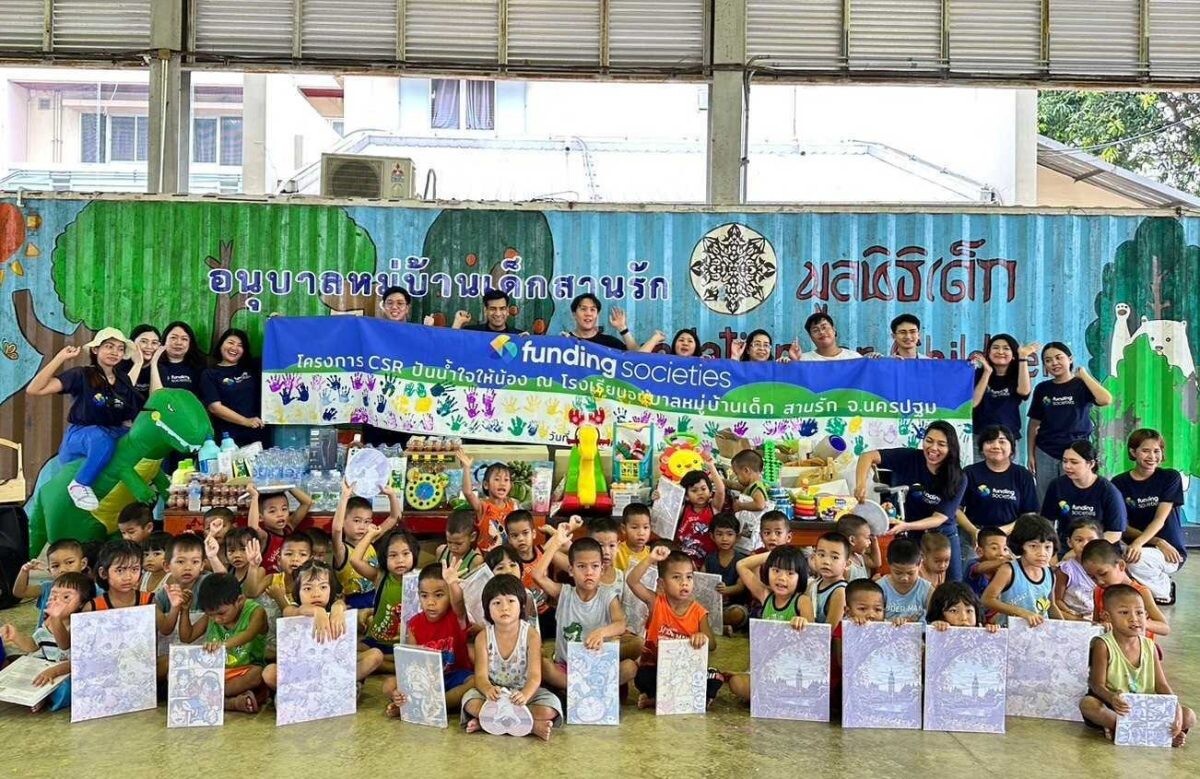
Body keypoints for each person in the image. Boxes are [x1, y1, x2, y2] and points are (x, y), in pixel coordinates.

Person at [26, 328, 143, 510]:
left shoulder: (123, 379)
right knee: (101, 439)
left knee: (139, 437)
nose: (115, 352)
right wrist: (60, 358)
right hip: (82, 435)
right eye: (109, 346)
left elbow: (133, 414)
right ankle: (80, 484)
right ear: (95, 349)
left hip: (113, 431)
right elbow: (35, 389)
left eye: (120, 348)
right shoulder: (81, 374)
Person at [1080, 584, 1194, 747]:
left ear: (1146, 615)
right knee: (1088, 705)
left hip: (1144, 708)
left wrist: (1175, 709)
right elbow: (1096, 685)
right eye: (1124, 612)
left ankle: (1129, 731)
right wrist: (1112, 698)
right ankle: (1152, 733)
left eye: (1139, 612)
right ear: (1107, 616)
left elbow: (1161, 685)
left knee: (1188, 716)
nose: (1134, 618)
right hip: (1117, 708)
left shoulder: (1150, 646)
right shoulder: (1103, 645)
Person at [854, 420, 968, 581]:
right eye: (929, 441)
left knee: (954, 585)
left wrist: (906, 525)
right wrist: (860, 485)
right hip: (914, 535)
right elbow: (868, 456)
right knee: (912, 582)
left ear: (951, 448)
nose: (933, 448)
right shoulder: (910, 457)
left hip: (943, 536)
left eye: (941, 444)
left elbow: (939, 518)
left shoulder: (959, 478)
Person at [531, 521, 636, 693]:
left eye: (594, 566)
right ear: (571, 570)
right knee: (544, 666)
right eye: (581, 567)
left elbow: (620, 624)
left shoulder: (608, 596)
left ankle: (581, 690)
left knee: (630, 667)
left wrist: (601, 632)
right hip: (568, 668)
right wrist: (556, 542)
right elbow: (537, 575)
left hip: (598, 666)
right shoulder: (563, 593)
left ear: (601, 570)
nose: (588, 572)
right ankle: (591, 689)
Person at [460, 574, 563, 740]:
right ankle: (531, 727)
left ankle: (488, 723)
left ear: (522, 605)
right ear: (487, 609)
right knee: (470, 702)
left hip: (522, 695)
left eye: (510, 601)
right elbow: (480, 676)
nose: (504, 608)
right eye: (496, 603)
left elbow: (535, 676)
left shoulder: (531, 635)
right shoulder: (483, 637)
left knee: (549, 708)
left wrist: (525, 695)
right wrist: (488, 689)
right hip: (495, 697)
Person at [262, 560, 384, 690]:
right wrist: (316, 611)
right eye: (308, 588)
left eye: (323, 587)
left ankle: (339, 686)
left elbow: (341, 603)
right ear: (298, 592)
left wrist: (338, 608)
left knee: (375, 655)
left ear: (331, 589)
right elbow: (289, 611)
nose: (316, 593)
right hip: (303, 674)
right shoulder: (295, 609)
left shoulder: (334, 607)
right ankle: (322, 690)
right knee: (269, 673)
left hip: (334, 669)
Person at [627, 546, 720, 710]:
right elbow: (632, 581)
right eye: (676, 577)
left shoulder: (698, 611)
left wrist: (702, 637)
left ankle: (658, 701)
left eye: (689, 577)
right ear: (662, 584)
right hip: (659, 670)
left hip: (686, 671)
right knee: (642, 677)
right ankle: (674, 700)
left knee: (715, 676)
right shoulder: (656, 603)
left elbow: (712, 645)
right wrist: (651, 559)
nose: (684, 582)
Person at [384, 562, 475, 717]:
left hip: (455, 676)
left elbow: (459, 603)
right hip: (427, 680)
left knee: (474, 682)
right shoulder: (414, 624)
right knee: (389, 684)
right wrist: (399, 693)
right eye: (424, 595)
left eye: (439, 595)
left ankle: (438, 704)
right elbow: (413, 662)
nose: (430, 602)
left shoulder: (456, 617)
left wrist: (452, 583)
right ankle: (408, 702)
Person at [1027, 342, 1113, 499]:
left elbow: (1105, 399)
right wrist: (1031, 454)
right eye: (1048, 360)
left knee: (1076, 499)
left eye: (1059, 358)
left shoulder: (1082, 385)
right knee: (1045, 499)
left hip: (1078, 451)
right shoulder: (1042, 389)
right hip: (1046, 451)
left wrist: (1084, 375)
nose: (1054, 363)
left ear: (1070, 359)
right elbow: (1033, 424)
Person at [1111, 428, 1187, 604]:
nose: (1152, 456)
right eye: (1145, 451)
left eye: (1156, 451)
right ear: (1133, 452)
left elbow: (1160, 519)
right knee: (1108, 561)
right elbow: (1122, 526)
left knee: (1136, 561)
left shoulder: (1170, 477)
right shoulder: (1119, 483)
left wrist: (1140, 543)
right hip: (1141, 546)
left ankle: (1164, 590)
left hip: (1169, 551)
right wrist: (1155, 541)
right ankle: (1141, 585)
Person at [0, 571, 93, 713]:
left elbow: (66, 646)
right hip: (45, 666)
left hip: (64, 671)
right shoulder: (48, 622)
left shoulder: (79, 625)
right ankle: (37, 694)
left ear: (81, 603)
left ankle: (43, 696)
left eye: (66, 597)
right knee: (21, 671)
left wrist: (54, 671)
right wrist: (16, 636)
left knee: (67, 689)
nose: (57, 600)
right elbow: (33, 644)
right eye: (54, 595)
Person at [726, 545, 809, 702]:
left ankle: (776, 697)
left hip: (790, 669)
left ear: (801, 577)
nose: (781, 578)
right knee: (736, 683)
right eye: (776, 570)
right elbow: (741, 565)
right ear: (768, 571)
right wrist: (773, 554)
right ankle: (773, 697)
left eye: (790, 573)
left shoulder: (802, 601)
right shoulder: (766, 595)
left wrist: (803, 622)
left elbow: (813, 638)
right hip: (764, 666)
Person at [184, 573, 268, 713]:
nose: (216, 619)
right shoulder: (212, 613)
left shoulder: (256, 611)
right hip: (215, 673)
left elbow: (248, 634)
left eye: (221, 613)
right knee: (176, 674)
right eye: (211, 615)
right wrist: (184, 610)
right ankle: (230, 703)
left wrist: (222, 645)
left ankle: (210, 699)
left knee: (258, 674)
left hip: (244, 671)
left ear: (239, 600)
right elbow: (187, 636)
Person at [956, 425, 1039, 552]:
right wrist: (974, 531)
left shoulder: (1023, 475)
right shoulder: (969, 472)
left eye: (1002, 441)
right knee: (971, 568)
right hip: (974, 534)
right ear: (982, 449)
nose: (995, 446)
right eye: (989, 441)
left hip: (1011, 535)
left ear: (1011, 448)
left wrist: (1001, 532)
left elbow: (1029, 514)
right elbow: (956, 509)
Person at [1040, 440, 1127, 548]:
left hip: (1099, 548)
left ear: (1090, 464)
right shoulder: (1057, 485)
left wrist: (1080, 551)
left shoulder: (1108, 491)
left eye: (1074, 462)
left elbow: (1114, 533)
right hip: (1066, 545)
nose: (1067, 466)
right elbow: (1047, 521)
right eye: (1065, 461)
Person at [355, 526, 421, 665]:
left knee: (406, 660)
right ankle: (382, 662)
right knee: (349, 651)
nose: (400, 560)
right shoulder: (380, 576)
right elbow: (355, 560)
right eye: (393, 555)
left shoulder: (420, 580)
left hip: (402, 645)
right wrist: (370, 535)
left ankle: (382, 663)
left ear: (414, 554)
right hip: (374, 641)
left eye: (405, 554)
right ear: (384, 558)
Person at [331, 480, 401, 610]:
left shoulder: (370, 538)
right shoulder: (341, 551)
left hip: (378, 596)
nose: (362, 527)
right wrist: (345, 496)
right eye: (357, 521)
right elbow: (336, 529)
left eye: (367, 521)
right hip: (355, 604)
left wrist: (391, 495)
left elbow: (394, 518)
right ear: (343, 521)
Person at [982, 513, 1061, 627]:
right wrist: (1022, 613)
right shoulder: (1009, 570)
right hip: (1010, 635)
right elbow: (987, 599)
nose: (1042, 553)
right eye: (1033, 546)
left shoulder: (1050, 574)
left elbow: (1051, 605)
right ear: (1020, 546)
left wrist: (1066, 627)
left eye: (1047, 547)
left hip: (1039, 636)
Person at [1080, 540, 1170, 639]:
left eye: (1103, 574)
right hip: (1112, 646)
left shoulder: (1141, 592)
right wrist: (1102, 625)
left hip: (1139, 648)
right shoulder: (1098, 591)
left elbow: (1165, 628)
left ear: (1121, 565)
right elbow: (1096, 623)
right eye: (1092, 577)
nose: (1099, 581)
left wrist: (1140, 622)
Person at [971, 334, 1038, 455]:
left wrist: (1022, 357)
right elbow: (973, 403)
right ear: (989, 352)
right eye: (995, 347)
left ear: (1013, 355)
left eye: (1006, 348)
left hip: (1008, 436)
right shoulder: (978, 374)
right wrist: (987, 372)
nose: (1000, 351)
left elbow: (1024, 392)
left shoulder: (1018, 375)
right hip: (980, 436)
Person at [201, 328, 265, 446]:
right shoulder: (210, 374)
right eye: (230, 342)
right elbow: (215, 407)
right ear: (221, 345)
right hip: (228, 439)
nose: (234, 348)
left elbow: (278, 352)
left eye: (240, 345)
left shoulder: (252, 367)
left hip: (258, 435)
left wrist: (277, 323)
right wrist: (246, 421)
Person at [12, 539, 89, 627]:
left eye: (69, 562)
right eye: (55, 566)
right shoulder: (48, 587)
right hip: (43, 637)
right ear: (49, 570)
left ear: (83, 563)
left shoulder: (91, 588)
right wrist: (24, 571)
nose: (62, 569)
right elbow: (19, 592)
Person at [505, 510, 558, 636]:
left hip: (544, 611)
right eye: (515, 535)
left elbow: (560, 540)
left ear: (533, 533)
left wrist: (552, 531)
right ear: (509, 539)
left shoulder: (542, 551)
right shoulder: (509, 563)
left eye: (525, 533)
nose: (521, 539)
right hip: (520, 616)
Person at [457, 452, 519, 553]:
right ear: (486, 485)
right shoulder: (483, 506)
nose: (502, 483)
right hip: (486, 558)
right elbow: (468, 492)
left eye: (506, 480)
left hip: (507, 557)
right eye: (497, 479)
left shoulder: (513, 505)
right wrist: (466, 468)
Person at [247, 482, 313, 575]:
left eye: (284, 509)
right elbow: (252, 528)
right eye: (272, 511)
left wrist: (287, 485)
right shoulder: (265, 536)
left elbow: (307, 503)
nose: (280, 514)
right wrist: (254, 497)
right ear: (260, 517)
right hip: (268, 584)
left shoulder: (288, 528)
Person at [676, 464, 727, 565]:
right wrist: (658, 497)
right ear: (686, 496)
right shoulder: (682, 510)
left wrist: (711, 466)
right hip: (685, 561)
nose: (700, 493)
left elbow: (721, 490)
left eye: (703, 489)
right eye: (694, 490)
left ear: (710, 491)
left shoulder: (714, 508)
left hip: (709, 561)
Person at [704, 513, 748, 633]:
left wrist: (726, 590)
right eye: (719, 534)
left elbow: (740, 586)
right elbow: (702, 580)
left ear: (737, 537)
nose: (724, 538)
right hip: (711, 607)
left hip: (732, 607)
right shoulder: (709, 559)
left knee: (738, 613)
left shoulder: (742, 560)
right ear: (712, 536)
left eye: (729, 534)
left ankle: (711, 626)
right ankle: (718, 627)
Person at [1055, 519, 1104, 621]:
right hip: (1074, 619)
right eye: (1079, 540)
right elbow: (1057, 600)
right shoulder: (1065, 570)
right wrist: (1074, 615)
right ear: (1069, 542)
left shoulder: (1107, 567)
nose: (1085, 545)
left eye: (1091, 540)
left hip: (1100, 619)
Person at [875, 538, 934, 623]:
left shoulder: (927, 590)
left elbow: (934, 619)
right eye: (898, 573)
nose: (904, 578)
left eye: (910, 573)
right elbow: (874, 619)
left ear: (920, 564)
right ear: (888, 562)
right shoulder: (880, 587)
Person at [802, 533, 850, 626]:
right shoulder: (815, 584)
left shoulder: (840, 591)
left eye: (834, 557)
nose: (826, 562)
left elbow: (829, 631)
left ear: (847, 564)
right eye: (821, 555)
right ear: (814, 557)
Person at [149, 320, 207, 396]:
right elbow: (155, 398)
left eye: (184, 339)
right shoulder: (156, 364)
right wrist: (154, 363)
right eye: (173, 338)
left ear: (190, 343)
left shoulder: (199, 366)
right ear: (164, 340)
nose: (178, 342)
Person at [926, 581, 1000, 633]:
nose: (963, 618)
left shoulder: (982, 633)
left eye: (969, 611)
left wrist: (992, 633)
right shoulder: (936, 631)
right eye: (953, 611)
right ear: (939, 614)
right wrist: (933, 630)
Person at [965, 527, 1010, 602]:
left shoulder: (1004, 570)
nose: (1001, 553)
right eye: (994, 548)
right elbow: (980, 568)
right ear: (980, 551)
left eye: (1005, 549)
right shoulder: (972, 564)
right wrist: (1002, 561)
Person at [436, 509, 485, 577]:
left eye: (458, 543)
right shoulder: (441, 551)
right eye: (449, 542)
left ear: (472, 537)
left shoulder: (476, 560)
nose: (453, 547)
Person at [452, 289, 522, 334]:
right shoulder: (471, 333)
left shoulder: (518, 336)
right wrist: (457, 323)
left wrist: (525, 341)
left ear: (507, 311)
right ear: (485, 310)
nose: (498, 314)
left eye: (502, 308)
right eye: (493, 309)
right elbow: (450, 349)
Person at [119, 324, 161, 399]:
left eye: (154, 343)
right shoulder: (120, 364)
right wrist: (138, 364)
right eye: (144, 341)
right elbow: (121, 395)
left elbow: (157, 399)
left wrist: (154, 364)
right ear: (132, 343)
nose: (149, 347)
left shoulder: (161, 368)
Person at [837, 513, 881, 581]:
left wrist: (874, 540)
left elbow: (876, 563)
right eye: (867, 538)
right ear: (852, 540)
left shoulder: (859, 556)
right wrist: (871, 583)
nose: (870, 542)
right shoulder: (845, 566)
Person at [614, 503, 653, 573]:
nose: (641, 533)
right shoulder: (616, 551)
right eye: (634, 527)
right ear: (623, 529)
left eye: (646, 527)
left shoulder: (652, 554)